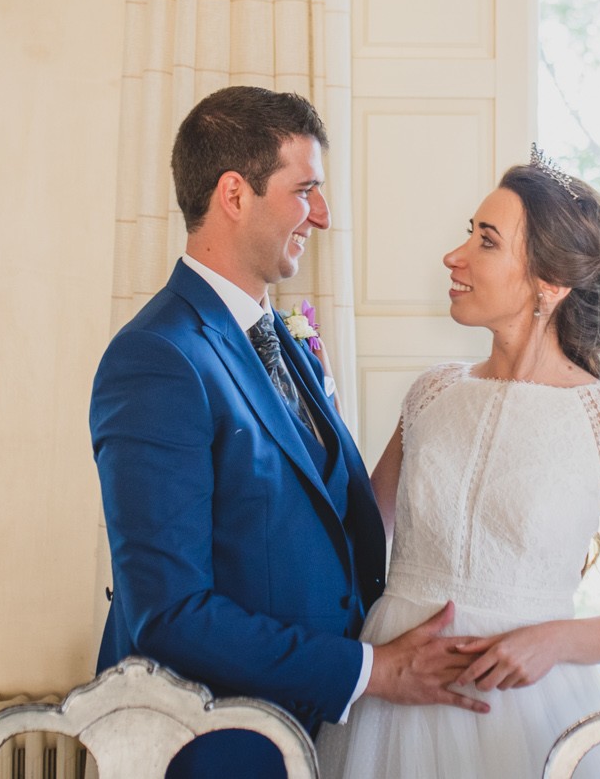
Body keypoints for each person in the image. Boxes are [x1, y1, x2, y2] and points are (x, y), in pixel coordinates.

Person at [90, 85, 486, 779]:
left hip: (319, 734)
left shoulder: (282, 339)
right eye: (306, 189)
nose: (325, 215)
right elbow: (170, 611)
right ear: (235, 194)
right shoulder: (158, 358)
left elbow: (329, 520)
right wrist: (373, 669)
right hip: (216, 745)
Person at [319, 151, 600, 779]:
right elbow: (358, 540)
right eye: (469, 233)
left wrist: (554, 639)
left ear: (549, 283)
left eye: (486, 241)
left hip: (526, 706)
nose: (455, 256)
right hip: (393, 692)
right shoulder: (431, 394)